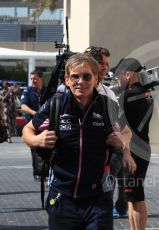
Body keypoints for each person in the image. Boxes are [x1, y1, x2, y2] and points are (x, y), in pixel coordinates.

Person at [22, 53, 125, 229]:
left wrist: (122, 140)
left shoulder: (108, 106)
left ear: (96, 79)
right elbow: (27, 130)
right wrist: (36, 140)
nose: (80, 81)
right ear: (67, 80)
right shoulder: (55, 105)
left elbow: (127, 132)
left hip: (98, 198)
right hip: (63, 197)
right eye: (75, 76)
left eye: (86, 76)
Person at [85, 46, 136, 218]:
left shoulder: (109, 95)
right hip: (76, 168)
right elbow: (31, 129)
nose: (106, 68)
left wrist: (126, 152)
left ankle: (117, 205)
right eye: (102, 64)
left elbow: (125, 130)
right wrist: (39, 140)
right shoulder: (68, 92)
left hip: (105, 163)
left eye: (107, 64)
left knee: (100, 212)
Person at [112, 57, 154, 230]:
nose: (117, 80)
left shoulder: (128, 96)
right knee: (131, 197)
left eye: (119, 76)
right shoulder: (146, 93)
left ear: (128, 74)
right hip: (142, 147)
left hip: (133, 152)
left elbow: (118, 124)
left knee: (136, 197)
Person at [20, 69, 46, 180]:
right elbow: (23, 106)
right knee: (34, 148)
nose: (33, 81)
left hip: (46, 124)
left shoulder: (48, 90)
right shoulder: (28, 90)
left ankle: (46, 171)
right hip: (32, 125)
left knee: (46, 147)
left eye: (35, 78)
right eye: (31, 79)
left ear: (41, 78)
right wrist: (34, 113)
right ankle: (37, 172)